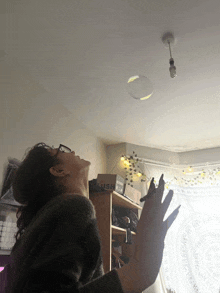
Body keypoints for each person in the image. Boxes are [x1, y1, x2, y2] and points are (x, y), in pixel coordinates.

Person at [3, 142, 180, 292]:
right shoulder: (73, 208)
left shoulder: (53, 216)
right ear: (58, 170)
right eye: (62, 151)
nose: (71, 151)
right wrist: (140, 269)